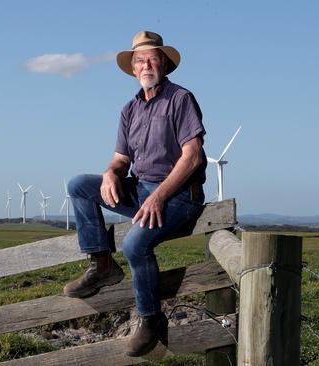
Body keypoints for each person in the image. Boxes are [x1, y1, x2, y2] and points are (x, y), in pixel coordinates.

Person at [63, 30, 207, 356]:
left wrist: (160, 196)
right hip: (141, 189)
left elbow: (193, 155)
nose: (145, 65)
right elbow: (120, 159)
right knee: (79, 185)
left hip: (180, 194)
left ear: (165, 64)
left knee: (134, 243)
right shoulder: (129, 109)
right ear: (132, 68)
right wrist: (110, 174)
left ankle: (150, 318)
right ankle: (102, 265)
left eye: (152, 59)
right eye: (139, 60)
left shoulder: (180, 99)